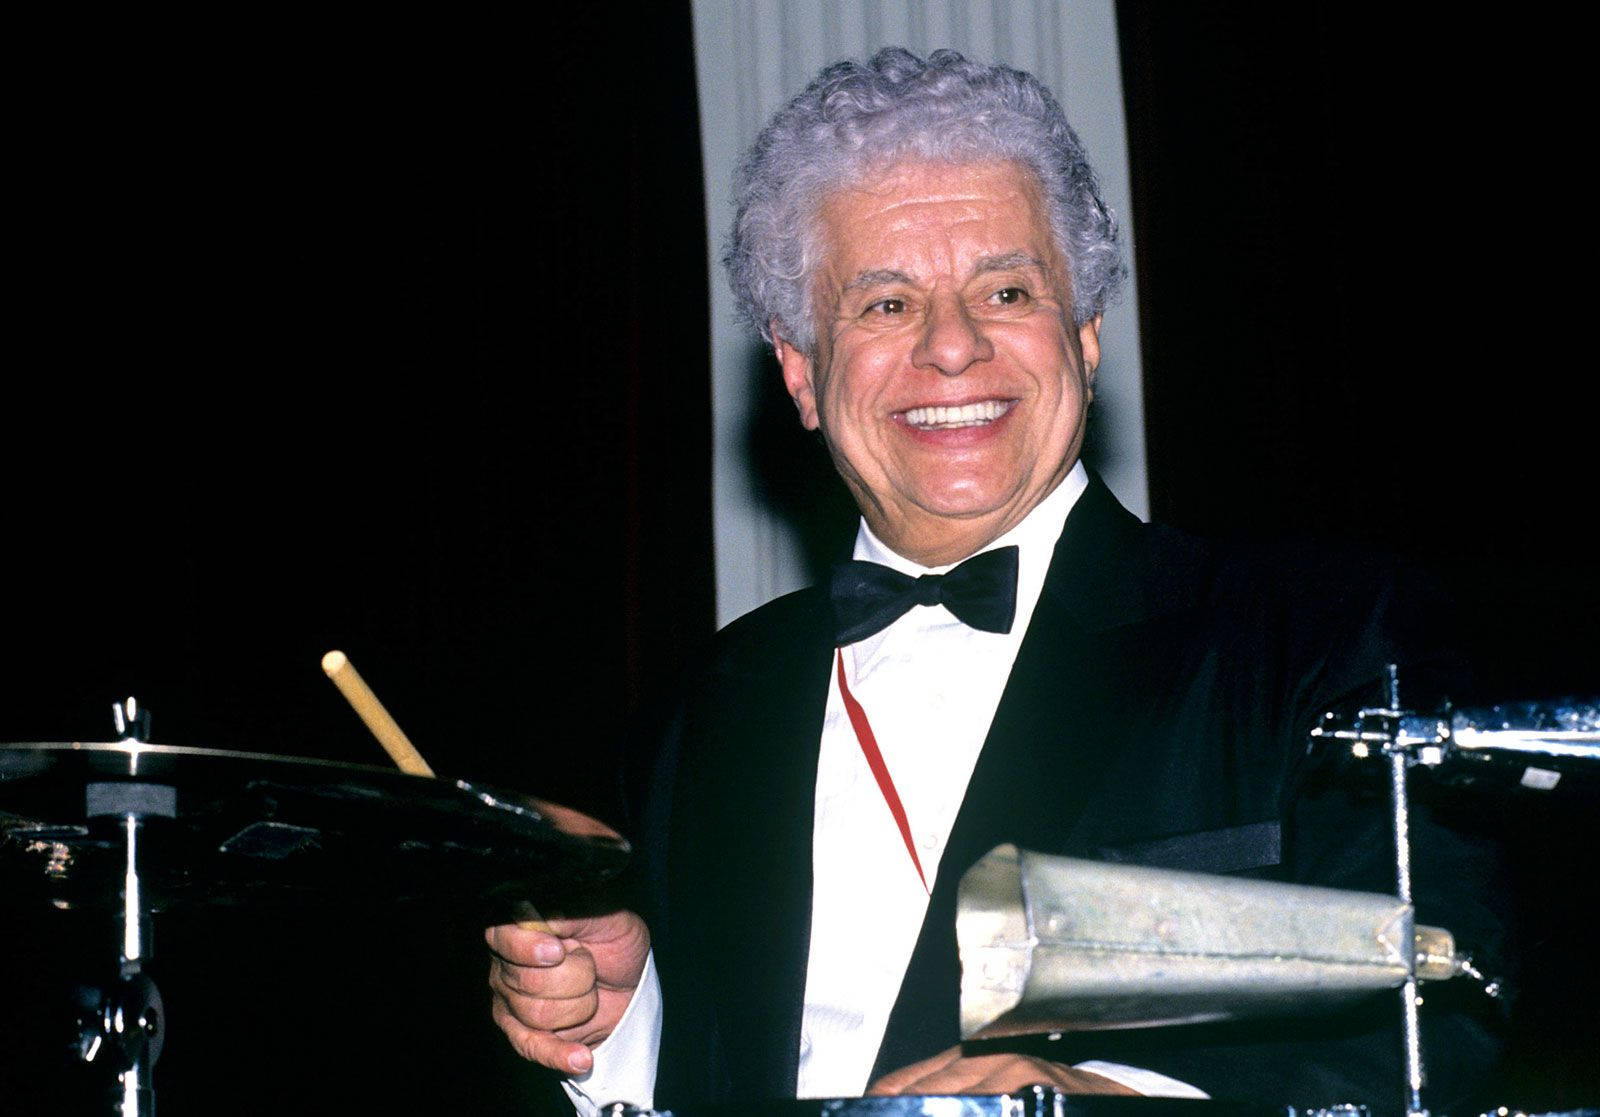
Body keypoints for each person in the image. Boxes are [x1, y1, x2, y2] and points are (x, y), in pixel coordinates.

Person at [487, 48, 1500, 1114]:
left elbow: (1438, 1006)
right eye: (884, 305)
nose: (954, 347)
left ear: (1086, 333)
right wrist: (623, 1016)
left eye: (1006, 289)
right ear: (799, 371)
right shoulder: (702, 707)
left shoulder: (1325, 633)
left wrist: (1088, 1102)